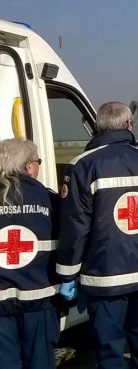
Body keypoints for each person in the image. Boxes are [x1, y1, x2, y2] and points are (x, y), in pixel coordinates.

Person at [56, 102, 138, 368]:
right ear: (129, 125)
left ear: (98, 127)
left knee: (108, 348)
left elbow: (75, 226)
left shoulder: (82, 165)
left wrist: (67, 273)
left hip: (103, 277)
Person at [0, 139, 61, 368]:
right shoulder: (48, 198)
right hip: (38, 297)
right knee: (40, 360)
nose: (38, 167)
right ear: (28, 166)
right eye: (38, 162)